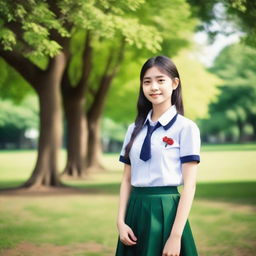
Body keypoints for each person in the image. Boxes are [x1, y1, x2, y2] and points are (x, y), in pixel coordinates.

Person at [115, 55, 201, 256]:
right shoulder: (133, 129)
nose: (153, 87)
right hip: (135, 211)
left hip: (167, 211)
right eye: (147, 81)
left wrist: (176, 236)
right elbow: (126, 179)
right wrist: (120, 221)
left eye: (160, 80)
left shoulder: (186, 128)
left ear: (174, 83)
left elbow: (190, 185)